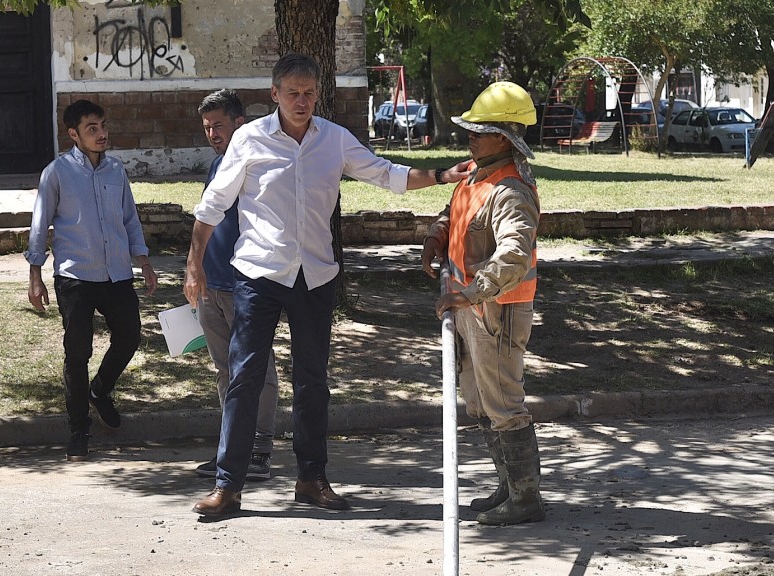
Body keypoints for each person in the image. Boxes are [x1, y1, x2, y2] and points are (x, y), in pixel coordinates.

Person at [184, 53, 468, 518]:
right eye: (292, 93)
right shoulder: (251, 140)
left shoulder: (333, 140)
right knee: (244, 380)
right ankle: (228, 486)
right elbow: (210, 209)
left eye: (309, 93)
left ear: (318, 94)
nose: (302, 101)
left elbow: (387, 175)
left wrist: (440, 175)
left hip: (314, 277)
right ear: (274, 94)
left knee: (313, 381)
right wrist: (195, 267)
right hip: (259, 276)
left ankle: (311, 479)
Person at [421, 82, 545, 526]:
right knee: (479, 401)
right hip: (470, 307)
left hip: (496, 308)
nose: (471, 135)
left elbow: (512, 254)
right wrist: (437, 234)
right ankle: (508, 488)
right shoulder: (477, 173)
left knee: (503, 403)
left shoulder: (511, 190)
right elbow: (456, 210)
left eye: (482, 129)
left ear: (507, 136)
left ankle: (526, 500)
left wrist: (471, 292)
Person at [26, 99, 158, 461]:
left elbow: (130, 218)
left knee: (130, 336)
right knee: (77, 353)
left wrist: (143, 262)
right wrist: (35, 274)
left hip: (116, 272)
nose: (101, 135)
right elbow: (40, 225)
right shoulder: (56, 173)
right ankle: (78, 429)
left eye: (102, 126)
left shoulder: (116, 170)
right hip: (75, 274)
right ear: (74, 134)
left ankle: (101, 391)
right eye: (91, 129)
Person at [191, 89, 281, 482]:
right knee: (225, 370)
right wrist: (195, 269)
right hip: (211, 285)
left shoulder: (257, 164)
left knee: (257, 370)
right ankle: (232, 447)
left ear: (239, 124)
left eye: (219, 126)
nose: (213, 134)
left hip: (246, 283)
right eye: (207, 127)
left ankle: (259, 448)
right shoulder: (216, 166)